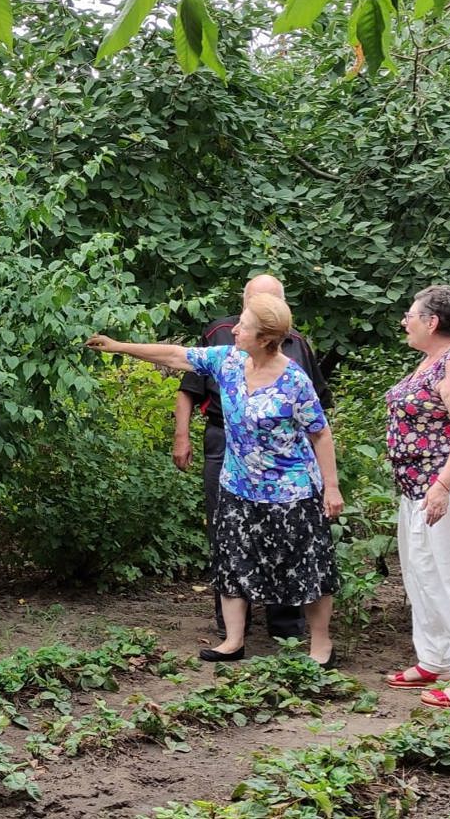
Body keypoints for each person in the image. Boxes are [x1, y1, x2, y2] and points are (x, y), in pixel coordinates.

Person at [88, 293, 343, 666]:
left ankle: (321, 646)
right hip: (238, 487)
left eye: (244, 326)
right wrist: (118, 347)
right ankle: (233, 641)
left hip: (292, 491)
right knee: (233, 561)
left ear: (266, 338)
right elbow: (176, 356)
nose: (235, 330)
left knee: (307, 566)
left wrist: (331, 486)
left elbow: (321, 433)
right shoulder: (229, 361)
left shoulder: (295, 381)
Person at [173, 274, 332, 640]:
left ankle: (286, 629)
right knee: (229, 537)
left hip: (287, 471)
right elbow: (184, 375)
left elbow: (319, 421)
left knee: (289, 546)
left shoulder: (297, 354)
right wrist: (182, 435)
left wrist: (329, 483)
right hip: (228, 449)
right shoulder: (223, 340)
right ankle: (232, 631)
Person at [383, 285, 450, 707]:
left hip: (447, 488)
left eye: (410, 315)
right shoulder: (432, 361)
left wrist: (443, 486)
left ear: (432, 322)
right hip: (418, 489)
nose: (404, 321)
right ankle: (434, 659)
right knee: (421, 576)